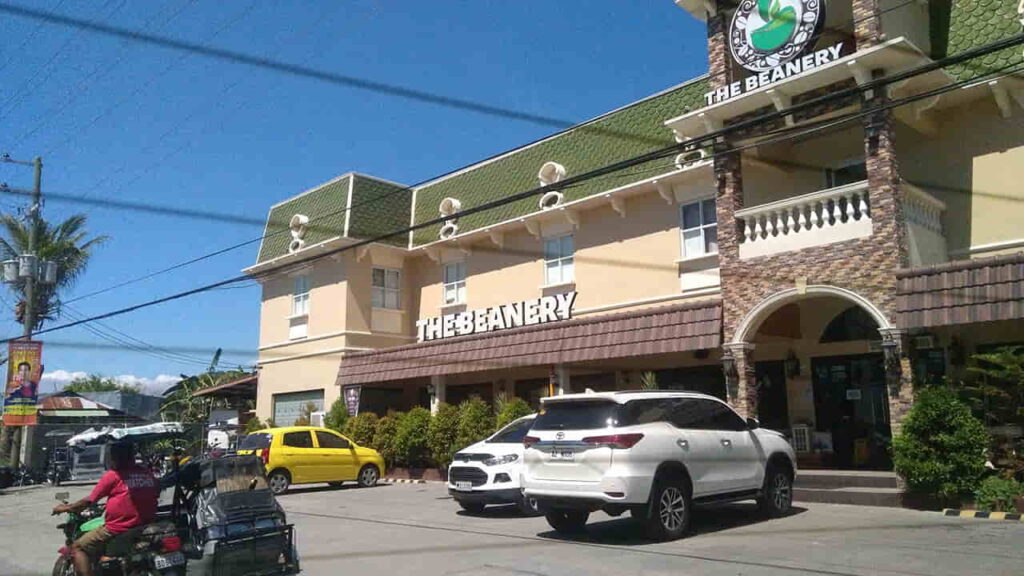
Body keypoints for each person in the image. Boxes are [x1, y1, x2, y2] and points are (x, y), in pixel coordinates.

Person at [51, 442, 160, 576]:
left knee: (76, 547)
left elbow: (88, 501)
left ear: (115, 457)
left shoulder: (114, 475)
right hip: (145, 525)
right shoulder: (146, 473)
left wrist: (65, 507)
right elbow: (156, 492)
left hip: (119, 528)